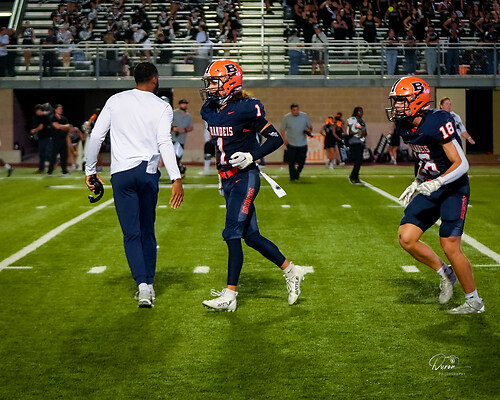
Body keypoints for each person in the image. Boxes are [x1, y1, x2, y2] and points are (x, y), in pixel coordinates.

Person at [200, 59, 304, 311]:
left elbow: (275, 138)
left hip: (244, 177)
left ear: (230, 82)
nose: (210, 87)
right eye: (209, 82)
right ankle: (292, 270)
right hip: (227, 178)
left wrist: (252, 155)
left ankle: (230, 295)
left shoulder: (246, 108)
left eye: (214, 82)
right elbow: (220, 145)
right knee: (251, 236)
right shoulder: (210, 109)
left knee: (232, 233)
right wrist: (220, 175)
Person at [85, 62, 184, 308]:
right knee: (147, 230)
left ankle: (142, 287)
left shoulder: (115, 100)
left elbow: (96, 136)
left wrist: (90, 170)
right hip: (148, 171)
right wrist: (176, 178)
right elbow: (164, 142)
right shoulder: (162, 106)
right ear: (155, 79)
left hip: (121, 173)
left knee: (131, 233)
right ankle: (149, 283)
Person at [387, 76, 485, 314]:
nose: (397, 106)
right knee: (406, 237)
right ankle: (445, 273)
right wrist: (418, 180)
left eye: (401, 100)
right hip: (430, 184)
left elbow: (462, 164)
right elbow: (425, 157)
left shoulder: (438, 120)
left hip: (453, 187)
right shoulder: (404, 125)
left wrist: (439, 181)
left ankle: (474, 301)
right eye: (396, 101)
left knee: (449, 245)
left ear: (417, 100)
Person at [280, 103, 313, 181]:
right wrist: (284, 139)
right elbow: (282, 129)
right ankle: (292, 177)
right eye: (294, 110)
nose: (296, 111)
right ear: (291, 110)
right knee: (291, 161)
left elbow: (310, 127)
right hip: (291, 143)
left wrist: (308, 130)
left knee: (302, 159)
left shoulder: (304, 116)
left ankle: (298, 171)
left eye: (297, 110)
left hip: (302, 142)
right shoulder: (286, 118)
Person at [172, 99, 194, 177]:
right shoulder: (174, 113)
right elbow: (167, 123)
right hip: (172, 138)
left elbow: (191, 127)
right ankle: (180, 170)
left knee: (178, 157)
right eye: (183, 103)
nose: (184, 105)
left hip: (182, 140)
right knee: (173, 157)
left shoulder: (188, 116)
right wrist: (173, 128)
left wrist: (184, 130)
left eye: (185, 104)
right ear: (179, 105)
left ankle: (180, 169)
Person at [48, 104, 72, 176]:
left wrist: (61, 126)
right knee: (53, 156)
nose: (61, 110)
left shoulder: (64, 118)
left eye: (61, 109)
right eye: (59, 109)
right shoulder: (52, 117)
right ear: (55, 110)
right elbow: (57, 126)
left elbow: (68, 126)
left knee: (64, 156)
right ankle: (50, 171)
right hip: (56, 139)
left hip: (63, 139)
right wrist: (64, 127)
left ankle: (64, 171)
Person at [30, 104, 53, 173]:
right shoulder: (45, 116)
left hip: (46, 137)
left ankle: (54, 162)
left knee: (46, 153)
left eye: (36, 111)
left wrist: (34, 130)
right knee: (42, 154)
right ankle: (41, 168)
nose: (36, 113)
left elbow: (41, 126)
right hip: (43, 137)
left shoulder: (43, 116)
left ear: (39, 110)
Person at [347, 106, 367, 184]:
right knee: (358, 159)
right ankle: (353, 176)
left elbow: (365, 132)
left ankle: (356, 176)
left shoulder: (362, 121)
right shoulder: (352, 120)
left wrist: (363, 134)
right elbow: (349, 131)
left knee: (359, 160)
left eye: (362, 111)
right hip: (354, 142)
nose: (361, 113)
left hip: (361, 142)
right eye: (360, 111)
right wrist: (357, 132)